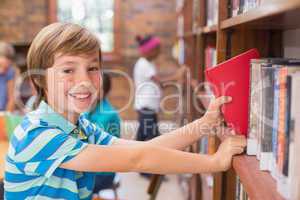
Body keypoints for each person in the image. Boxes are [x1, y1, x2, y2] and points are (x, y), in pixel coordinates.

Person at [4, 22, 246, 200]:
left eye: (93, 68)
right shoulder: (39, 134)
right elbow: (137, 159)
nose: (85, 80)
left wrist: (206, 123)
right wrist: (215, 161)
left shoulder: (81, 126)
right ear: (40, 80)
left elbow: (144, 149)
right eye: (68, 70)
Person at [133, 35, 186, 143]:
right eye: (157, 49)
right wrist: (177, 76)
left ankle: (132, 157)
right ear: (149, 51)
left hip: (148, 108)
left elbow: (159, 82)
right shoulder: (144, 64)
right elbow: (161, 82)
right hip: (146, 108)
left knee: (142, 138)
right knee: (153, 139)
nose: (159, 52)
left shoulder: (149, 63)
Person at [87, 72, 121, 198]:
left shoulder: (109, 114)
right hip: (89, 165)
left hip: (102, 172)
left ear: (103, 91)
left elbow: (88, 139)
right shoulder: (87, 109)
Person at [0, 42, 16, 112]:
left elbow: (11, 97)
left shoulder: (10, 72)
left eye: (6, 68)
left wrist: (7, 114)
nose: (3, 71)